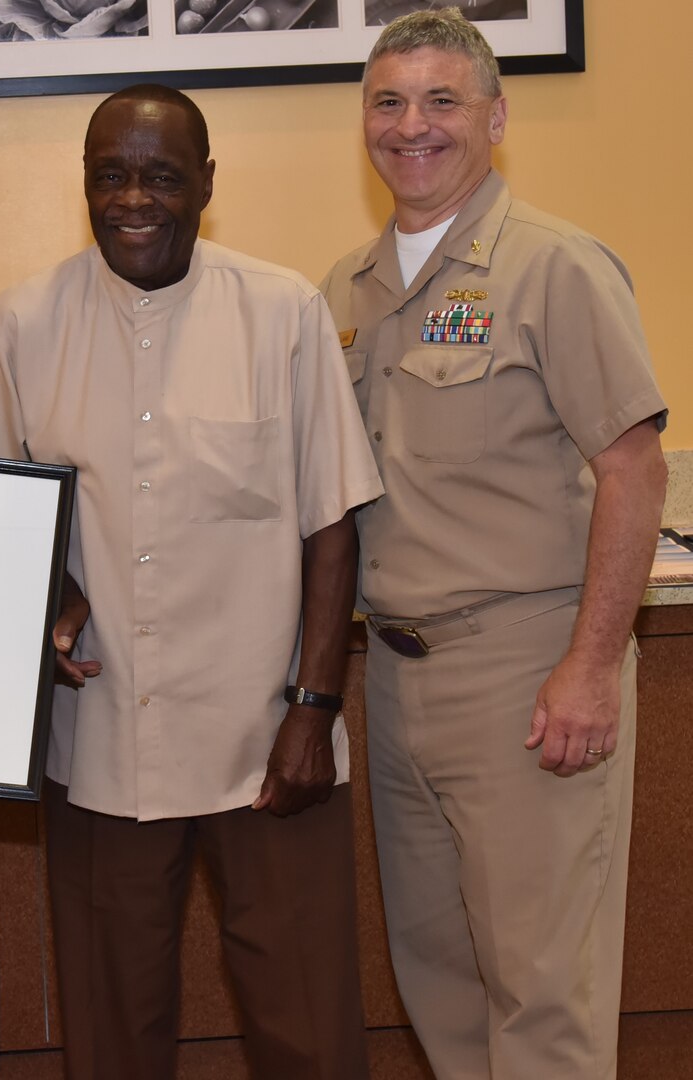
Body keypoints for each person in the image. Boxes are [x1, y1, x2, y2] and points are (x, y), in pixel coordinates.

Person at [0, 84, 384, 1080]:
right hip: (102, 742)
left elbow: (333, 525)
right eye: (108, 174)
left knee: (308, 1030)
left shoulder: (282, 311)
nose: (132, 197)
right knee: (112, 1035)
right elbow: (2, 527)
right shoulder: (23, 321)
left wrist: (311, 709)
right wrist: (52, 603)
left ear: (204, 182)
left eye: (159, 173)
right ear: (84, 185)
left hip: (265, 744)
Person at [320, 11, 667, 1079]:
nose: (409, 125)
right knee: (438, 976)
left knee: (541, 992)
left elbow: (632, 468)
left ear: (495, 118)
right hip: (396, 676)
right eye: (387, 101)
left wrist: (589, 666)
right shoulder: (346, 292)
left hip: (526, 670)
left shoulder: (553, 267)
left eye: (440, 101)